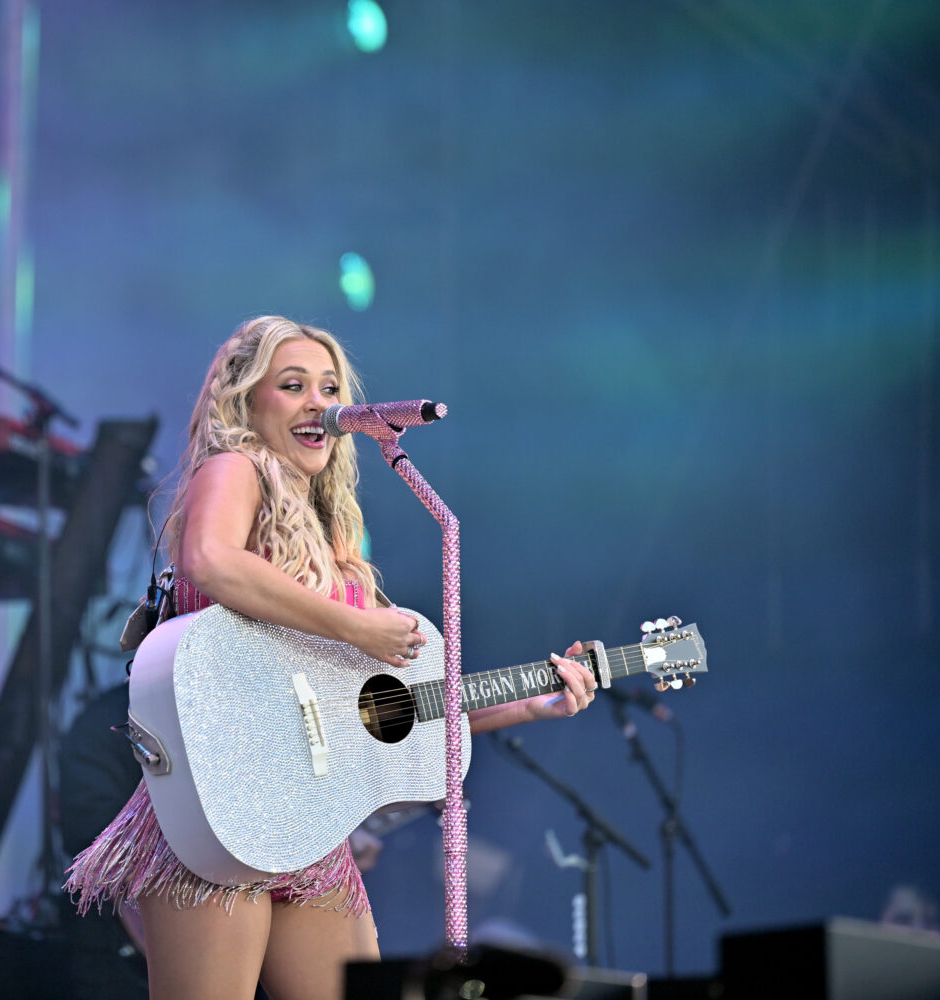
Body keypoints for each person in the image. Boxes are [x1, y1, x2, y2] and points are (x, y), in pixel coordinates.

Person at [64, 316, 599, 1000]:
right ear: (245, 401)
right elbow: (209, 559)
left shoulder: (336, 536)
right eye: (293, 386)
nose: (320, 404)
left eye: (330, 387)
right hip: (217, 812)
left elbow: (386, 718)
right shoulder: (233, 468)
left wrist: (528, 705)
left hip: (310, 833)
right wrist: (355, 625)